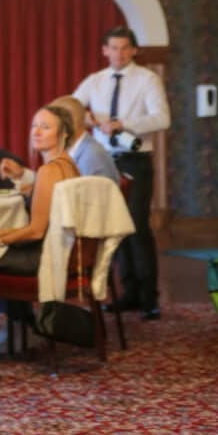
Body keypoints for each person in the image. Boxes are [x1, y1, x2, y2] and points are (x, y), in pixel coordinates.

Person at [73, 25, 170, 320]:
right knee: (114, 228)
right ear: (104, 50)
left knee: (137, 227)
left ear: (134, 50)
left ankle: (149, 298)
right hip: (103, 161)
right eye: (113, 48)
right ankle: (128, 294)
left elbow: (162, 118)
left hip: (134, 160)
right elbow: (70, 108)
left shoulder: (147, 79)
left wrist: (123, 123)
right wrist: (88, 118)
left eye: (125, 48)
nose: (119, 53)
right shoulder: (95, 80)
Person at [0, 105, 80, 273]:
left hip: (43, 257)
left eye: (45, 127)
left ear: (64, 134)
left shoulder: (49, 170)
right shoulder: (70, 164)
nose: (36, 132)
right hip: (62, 252)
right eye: (34, 125)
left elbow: (36, 232)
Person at [0, 96, 121, 192]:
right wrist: (22, 174)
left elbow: (86, 204)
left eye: (48, 124)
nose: (37, 132)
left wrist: (36, 193)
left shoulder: (91, 155)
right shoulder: (75, 149)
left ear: (69, 123)